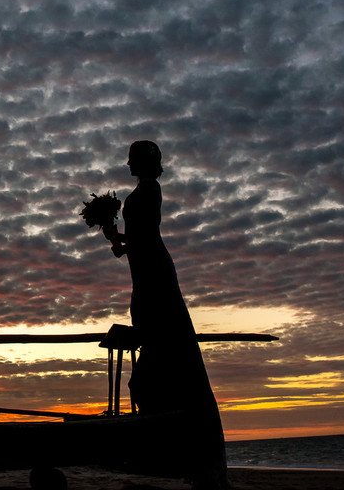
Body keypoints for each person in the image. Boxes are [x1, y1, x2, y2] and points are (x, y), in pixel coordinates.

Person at [106, 140, 227, 487]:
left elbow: (144, 239)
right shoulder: (143, 192)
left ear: (144, 163)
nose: (128, 165)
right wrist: (116, 237)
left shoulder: (149, 191)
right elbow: (133, 245)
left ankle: (164, 445)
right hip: (145, 270)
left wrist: (124, 240)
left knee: (153, 360)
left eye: (132, 160)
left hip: (154, 272)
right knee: (151, 356)